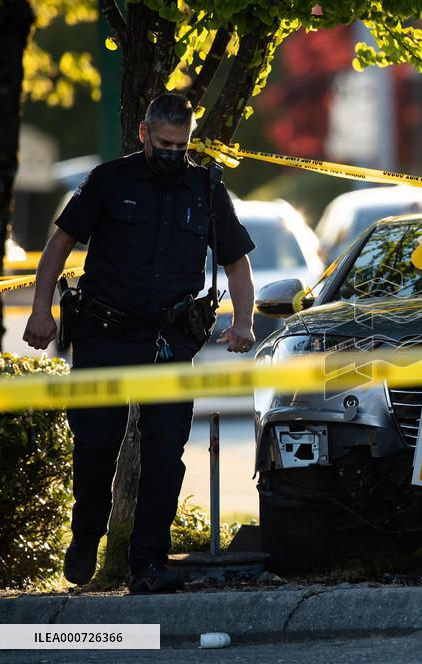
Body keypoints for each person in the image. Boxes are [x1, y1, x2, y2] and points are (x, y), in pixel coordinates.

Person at [23, 93, 257, 593]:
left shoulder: (206, 188)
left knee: (165, 455)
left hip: (169, 340)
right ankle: (86, 538)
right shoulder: (110, 180)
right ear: (144, 134)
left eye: (183, 146)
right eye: (165, 144)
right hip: (105, 335)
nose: (174, 153)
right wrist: (40, 311)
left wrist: (244, 320)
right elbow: (59, 245)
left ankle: (147, 564)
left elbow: (237, 261)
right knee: (96, 447)